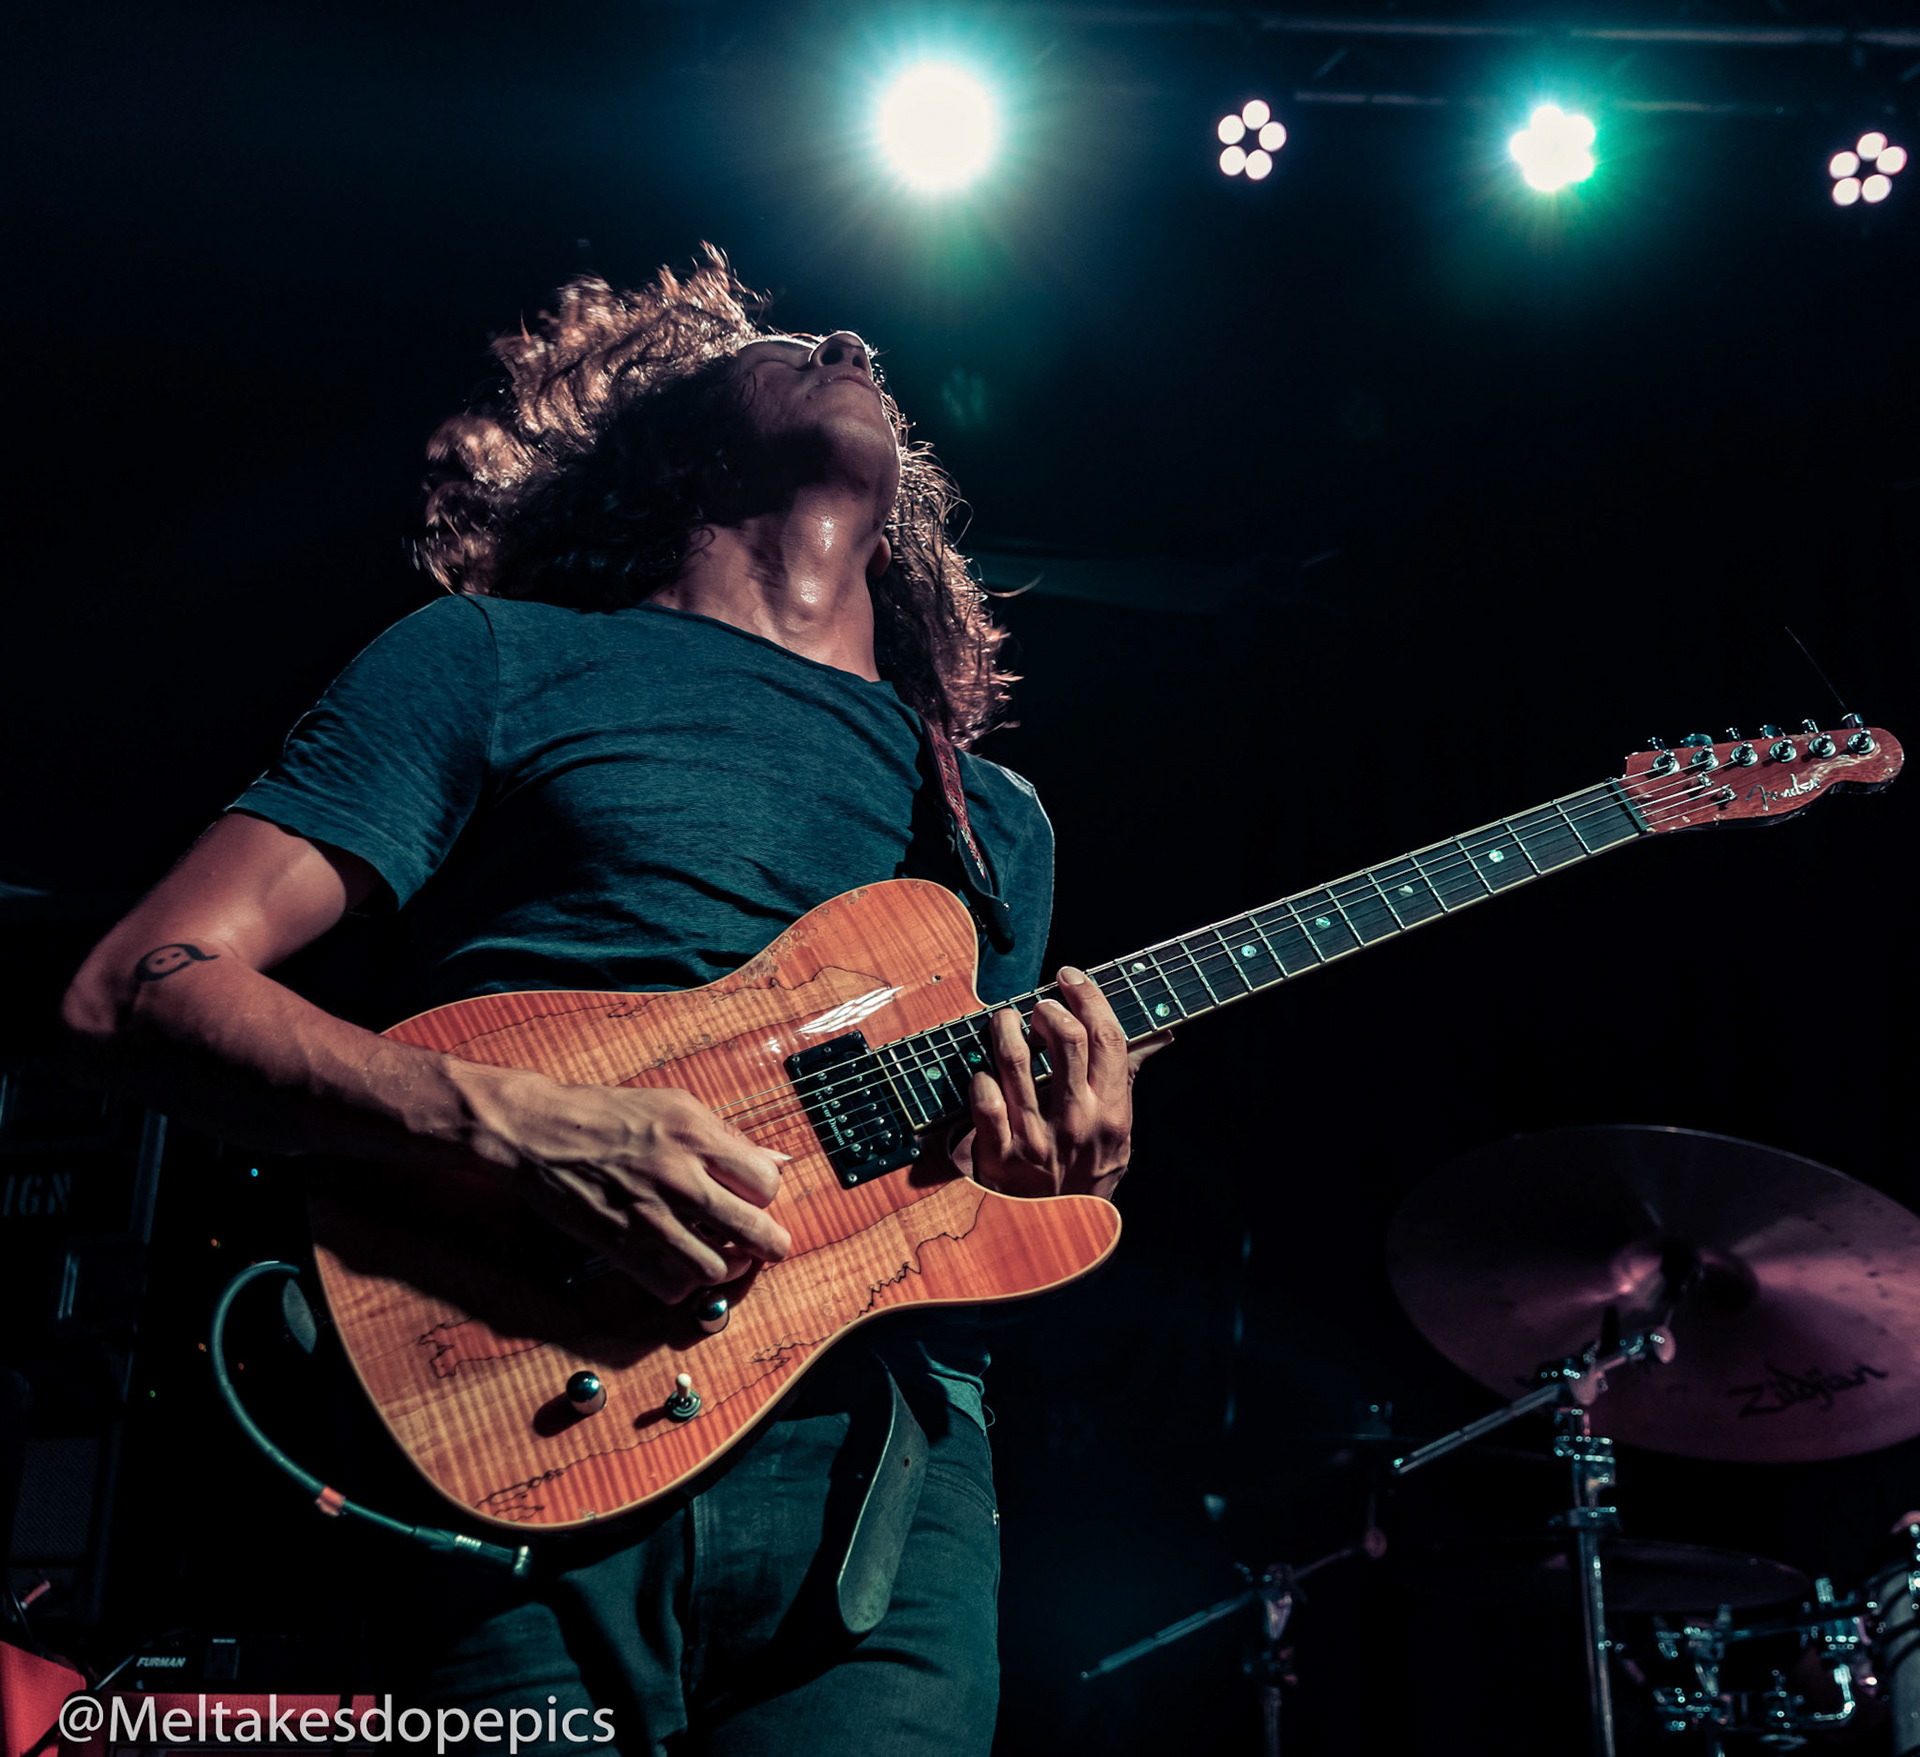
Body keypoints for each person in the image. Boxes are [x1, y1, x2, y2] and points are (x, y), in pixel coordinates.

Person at [60, 251, 1165, 1756]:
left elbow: (963, 1192)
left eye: (853, 346)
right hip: (505, 1423)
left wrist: (1057, 1163)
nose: (850, 337)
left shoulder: (992, 823)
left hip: (876, 1497)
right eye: (788, 341)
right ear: (671, 444)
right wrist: (528, 1128)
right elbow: (136, 988)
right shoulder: (492, 660)